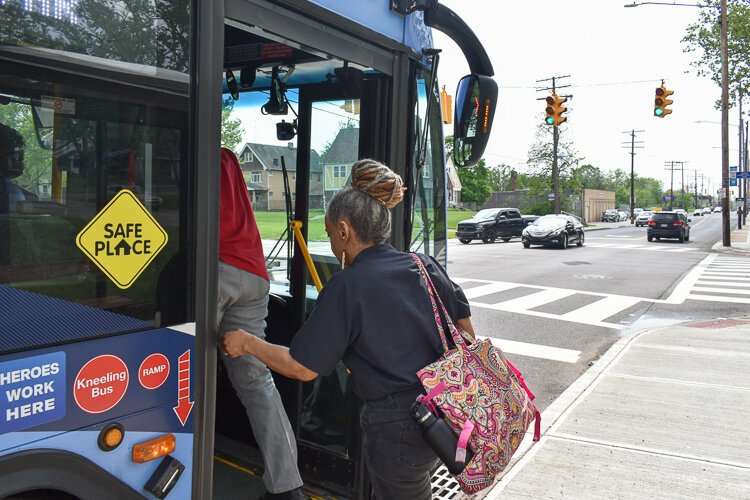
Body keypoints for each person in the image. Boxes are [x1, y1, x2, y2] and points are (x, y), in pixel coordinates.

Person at [223, 158, 474, 500]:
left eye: (329, 234)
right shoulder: (423, 264)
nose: (331, 244)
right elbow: (466, 335)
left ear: (345, 230)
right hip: (442, 415)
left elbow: (302, 367)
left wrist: (248, 342)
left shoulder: (347, 287)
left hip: (396, 427)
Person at [217, 148, 305, 500]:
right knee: (256, 380)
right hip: (253, 272)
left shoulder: (177, 142)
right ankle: (287, 487)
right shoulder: (226, 156)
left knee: (180, 368)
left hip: (213, 265)